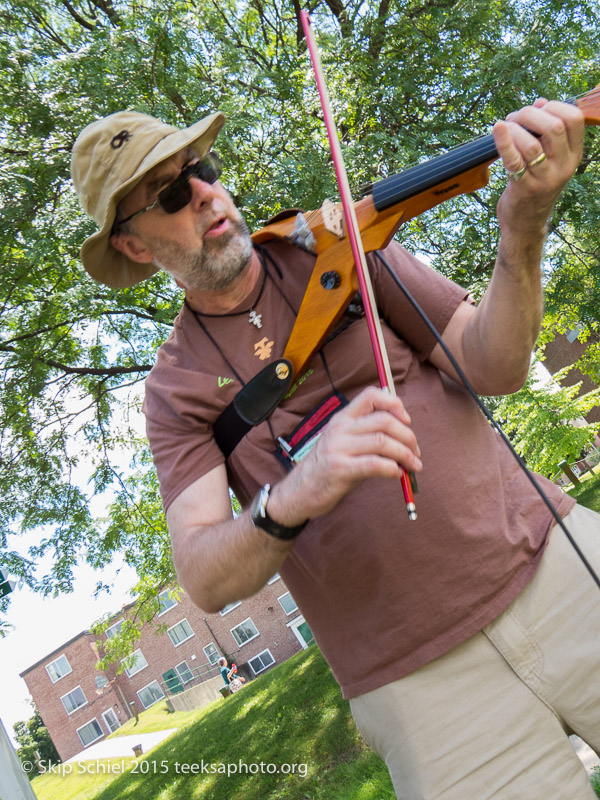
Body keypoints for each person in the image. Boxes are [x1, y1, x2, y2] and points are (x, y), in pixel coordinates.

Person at [71, 101, 600, 798]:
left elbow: (493, 365)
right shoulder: (176, 389)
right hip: (420, 691)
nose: (202, 192)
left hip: (555, 570)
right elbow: (203, 573)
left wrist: (523, 224)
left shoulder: (336, 243)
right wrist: (298, 491)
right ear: (136, 245)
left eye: (199, 169)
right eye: (170, 195)